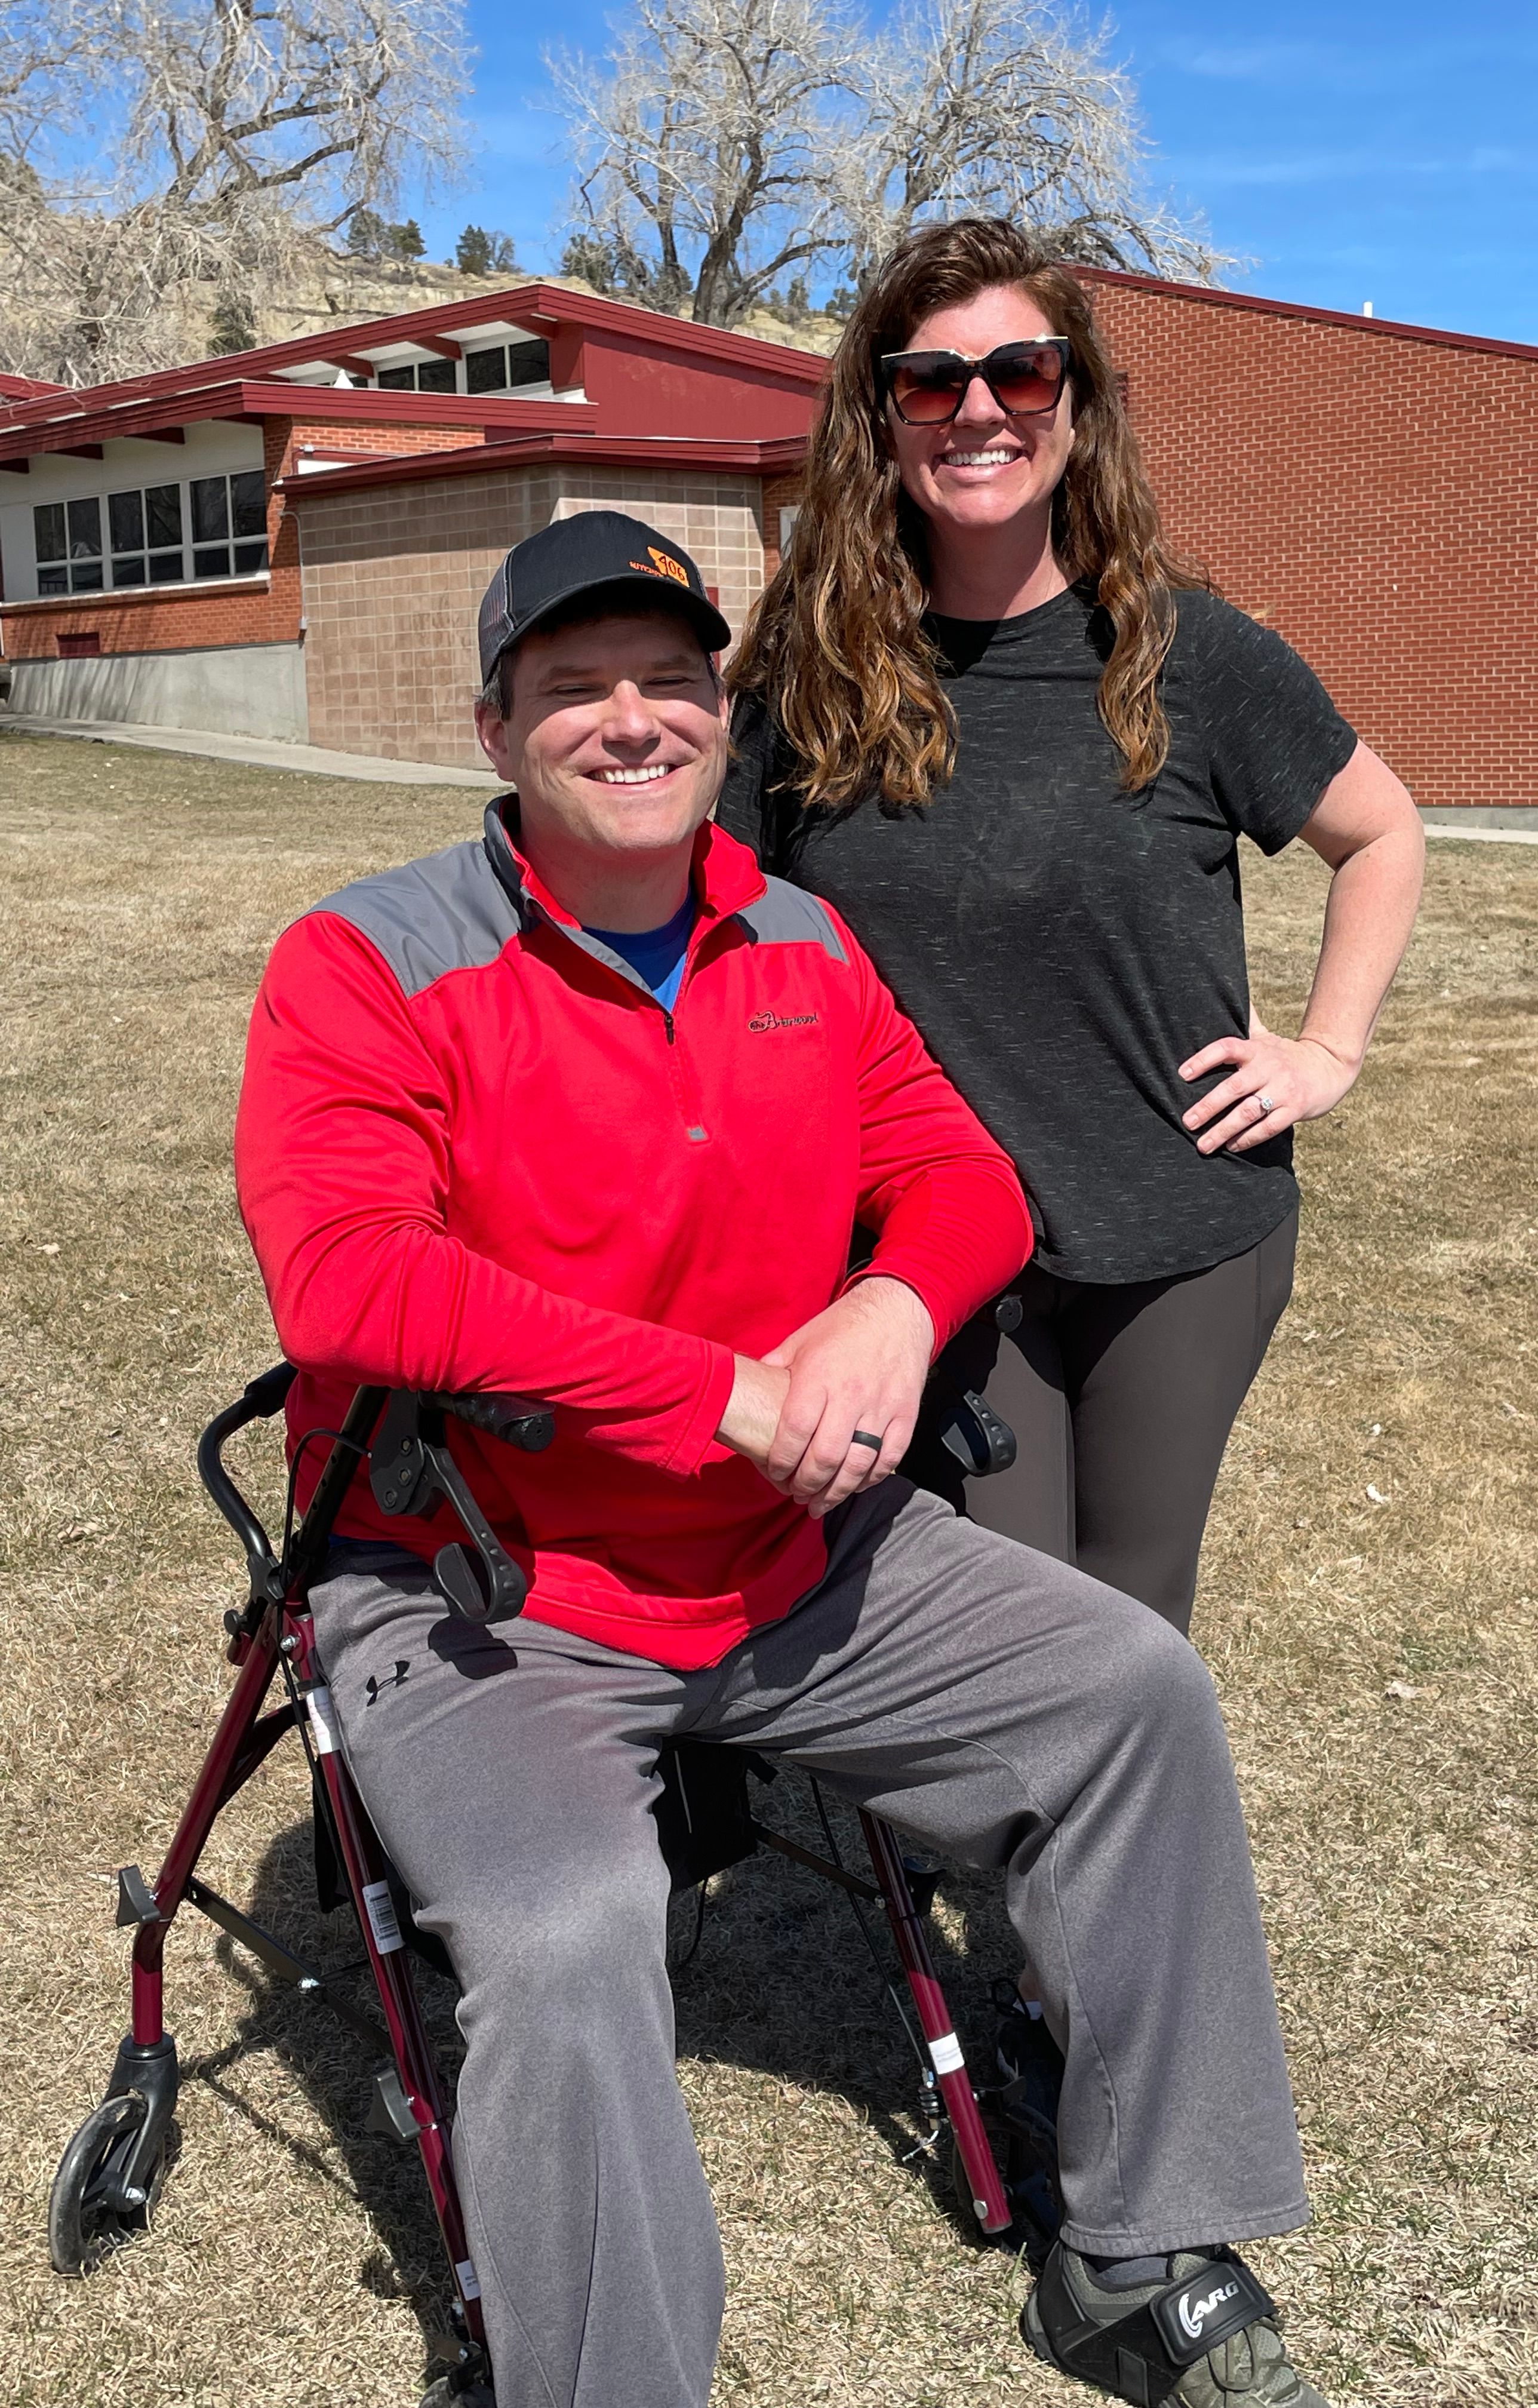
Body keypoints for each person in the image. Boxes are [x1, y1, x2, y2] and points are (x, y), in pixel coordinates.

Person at [233, 510, 1334, 2408]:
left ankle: (1140, 2239)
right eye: (575, 688)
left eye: (671, 680)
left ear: (720, 714)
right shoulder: (368, 959)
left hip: (785, 1554)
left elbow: (960, 1174)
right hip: (487, 1587)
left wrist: (897, 1305)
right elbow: (349, 1281)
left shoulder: (799, 940)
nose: (633, 720)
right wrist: (720, 1394)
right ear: (495, 729)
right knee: (570, 1924)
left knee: (1134, 1692)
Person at [722, 217, 1425, 1635]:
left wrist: (1326, 1054)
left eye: (1022, 373)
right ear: (882, 422)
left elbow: (1383, 833)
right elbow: (712, 921)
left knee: (1131, 1624)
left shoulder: (1187, 654)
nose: (979, 411)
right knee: (1017, 1625)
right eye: (932, 382)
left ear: (1078, 405)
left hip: (1180, 1230)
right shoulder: (813, 678)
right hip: (933, 1240)